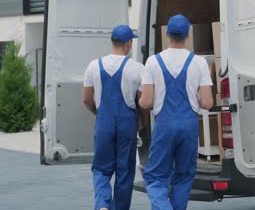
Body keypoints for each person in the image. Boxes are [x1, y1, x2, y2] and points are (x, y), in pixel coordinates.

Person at [139, 14, 214, 210]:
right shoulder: (199, 62)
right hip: (189, 126)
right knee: (183, 176)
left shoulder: (153, 62)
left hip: (164, 125)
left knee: (155, 177)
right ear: (188, 34)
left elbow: (146, 102)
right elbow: (207, 102)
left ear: (167, 33)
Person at [82, 25, 146, 210]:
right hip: (127, 123)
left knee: (101, 168)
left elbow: (86, 99)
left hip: (104, 122)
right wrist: (141, 123)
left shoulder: (94, 66)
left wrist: (99, 114)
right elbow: (143, 104)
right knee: (125, 172)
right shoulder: (137, 69)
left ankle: (102, 204)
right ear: (128, 43)